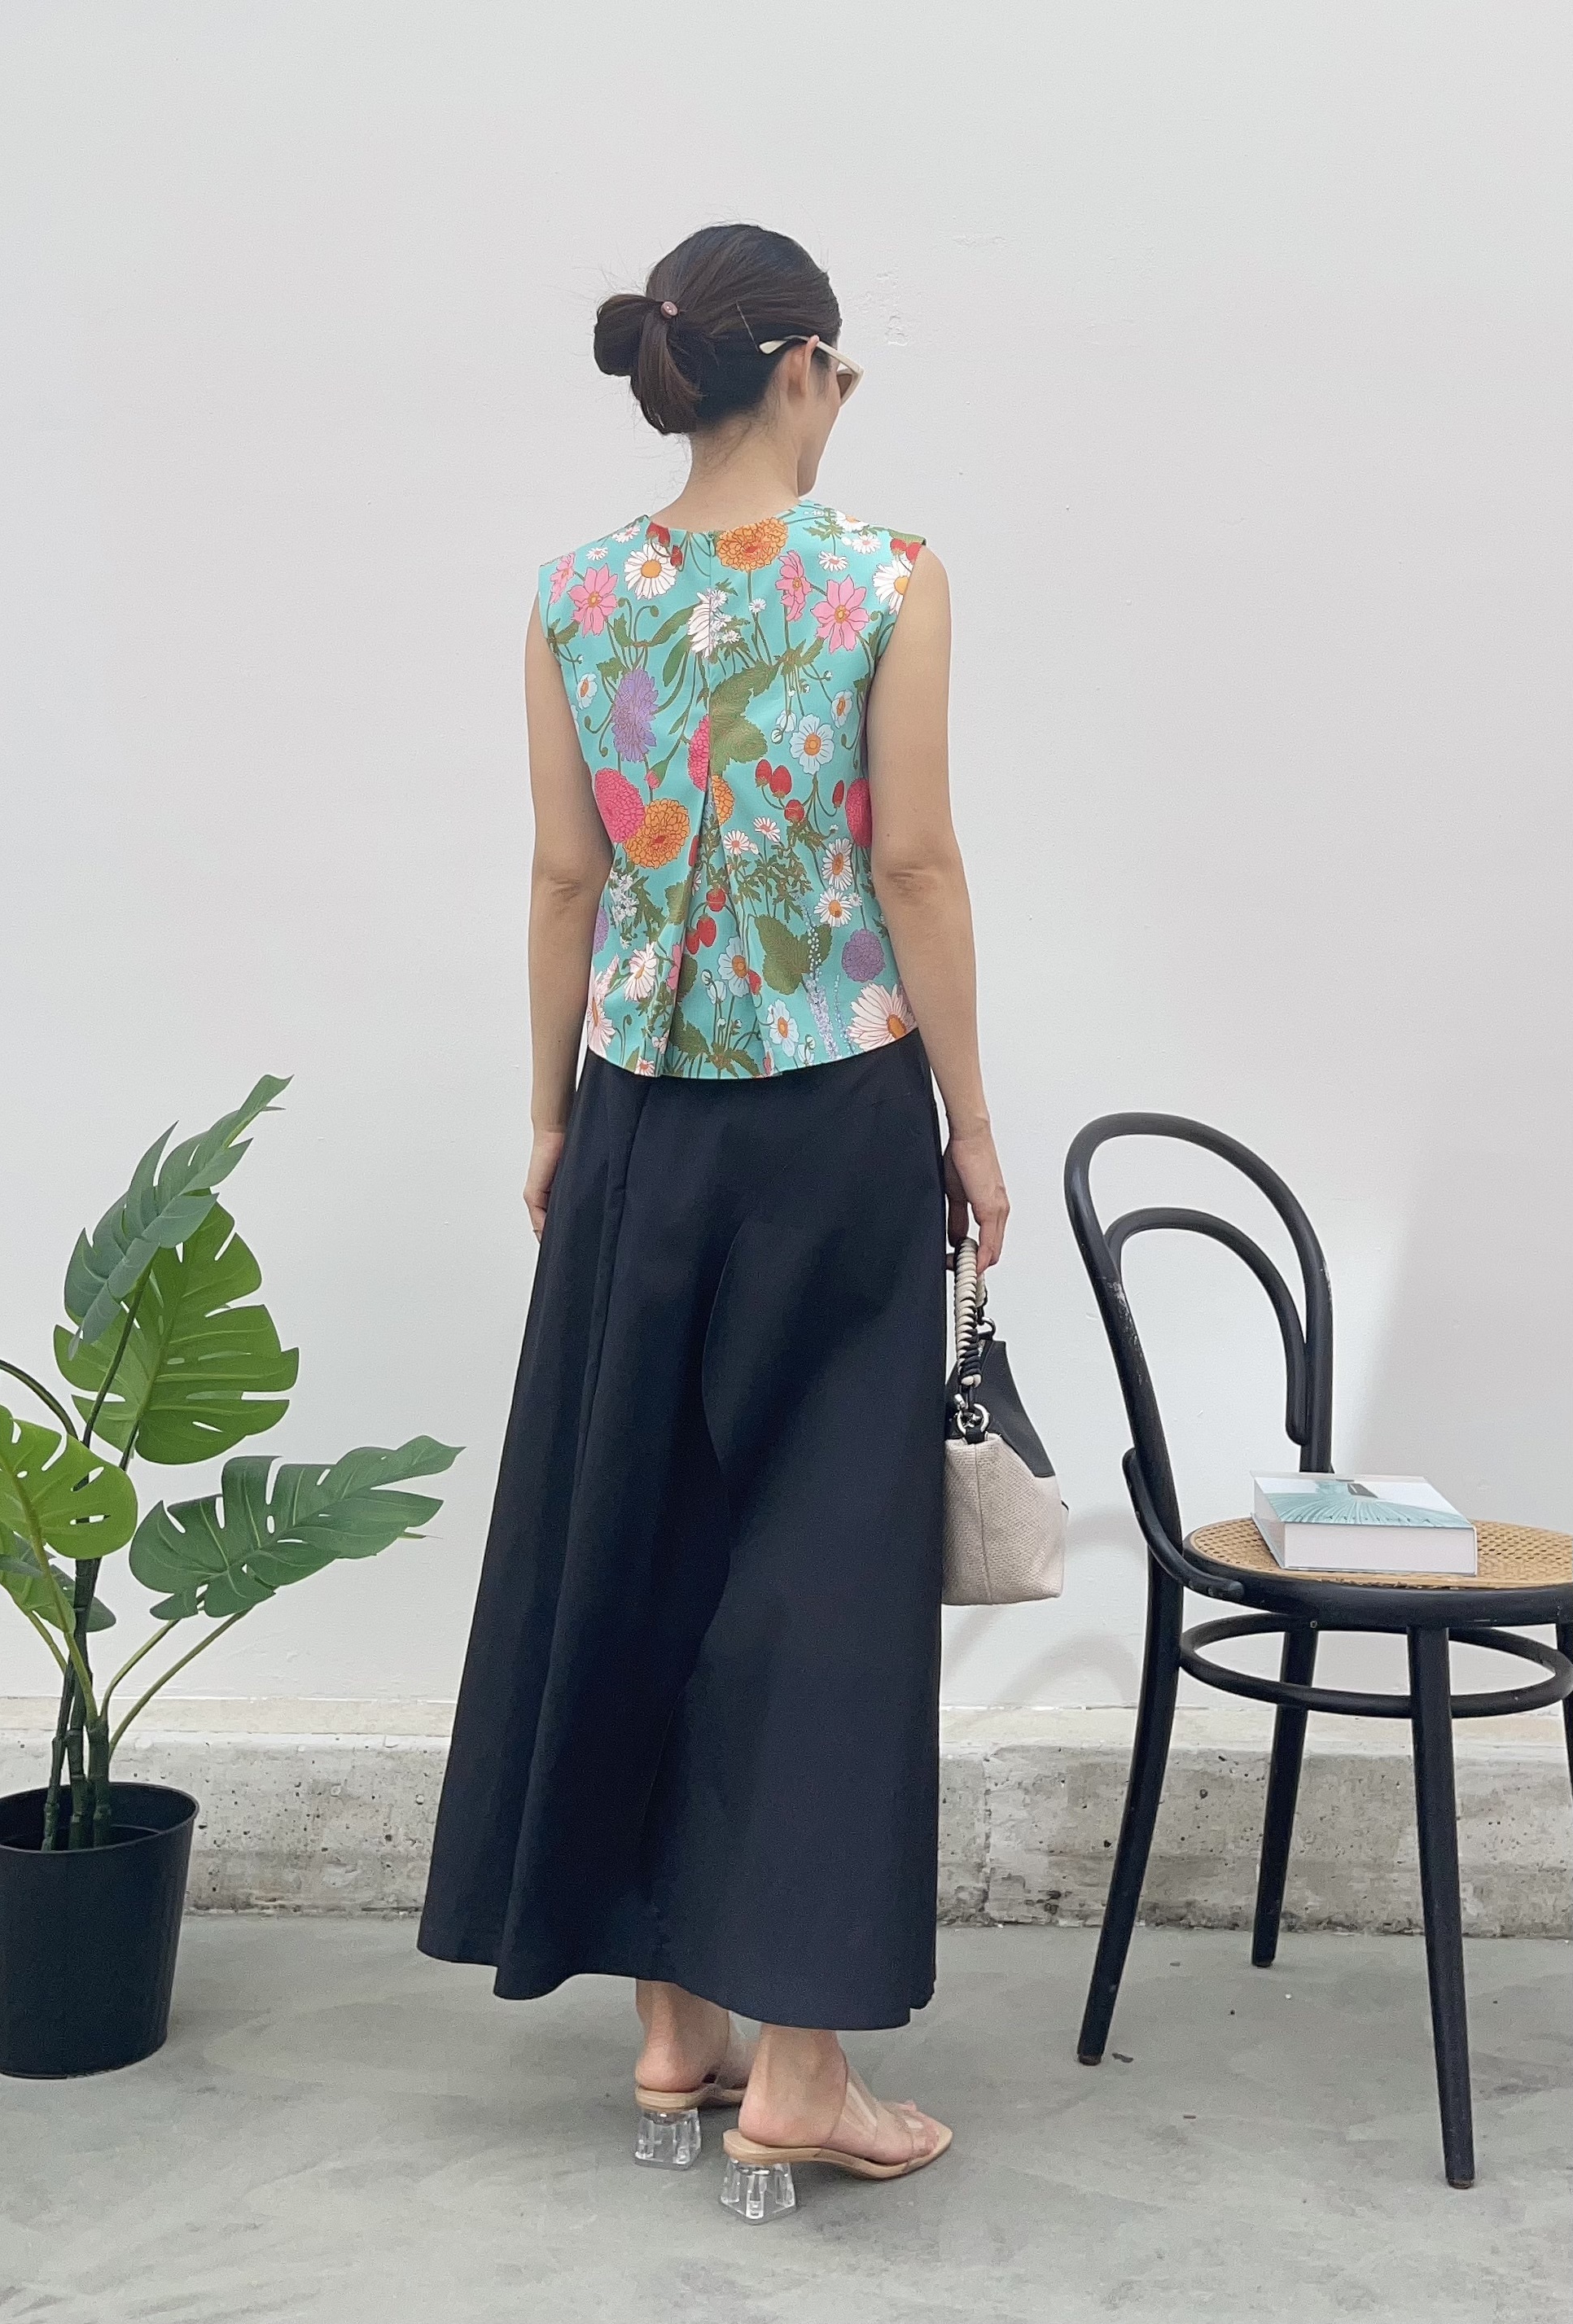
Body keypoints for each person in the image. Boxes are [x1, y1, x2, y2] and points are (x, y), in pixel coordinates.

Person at [418, 222, 1009, 2205]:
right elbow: (912, 866)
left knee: (646, 1540)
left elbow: (563, 879)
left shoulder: (576, 593)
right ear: (806, 367)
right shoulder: (887, 579)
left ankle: (673, 2036)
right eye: (842, 379)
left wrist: (549, 1115)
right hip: (831, 1122)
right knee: (822, 1574)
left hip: (641, 1126)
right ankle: (802, 2073)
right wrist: (975, 1129)